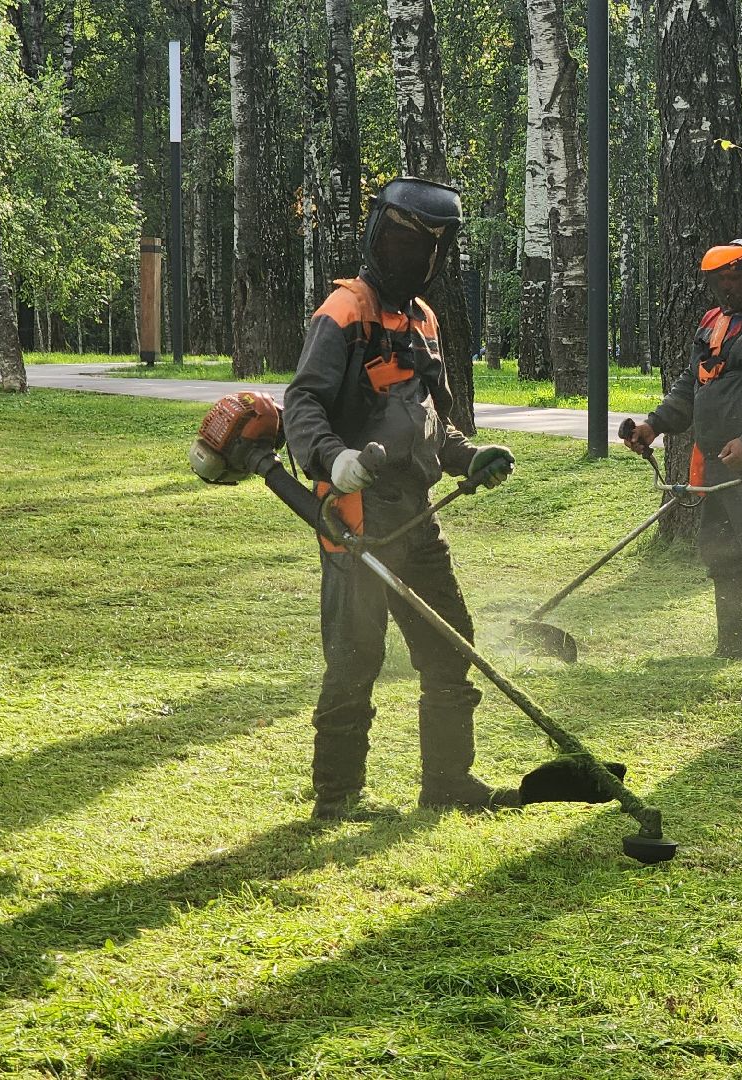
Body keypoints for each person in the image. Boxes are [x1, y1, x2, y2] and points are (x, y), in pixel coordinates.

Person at [283, 176, 517, 821]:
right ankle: (336, 797)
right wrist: (337, 459)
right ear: (379, 236)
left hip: (416, 515)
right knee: (357, 654)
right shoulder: (344, 312)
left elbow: (426, 417)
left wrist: (469, 456)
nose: (421, 257)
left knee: (450, 644)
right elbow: (302, 401)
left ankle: (448, 782)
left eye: (433, 247)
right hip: (356, 514)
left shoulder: (423, 319)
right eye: (409, 241)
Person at [623, 240, 742, 660]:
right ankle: (731, 648)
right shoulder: (714, 321)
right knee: (722, 558)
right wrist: (654, 425)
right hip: (714, 467)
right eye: (717, 281)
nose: (726, 289)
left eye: (733, 280)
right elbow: (691, 384)